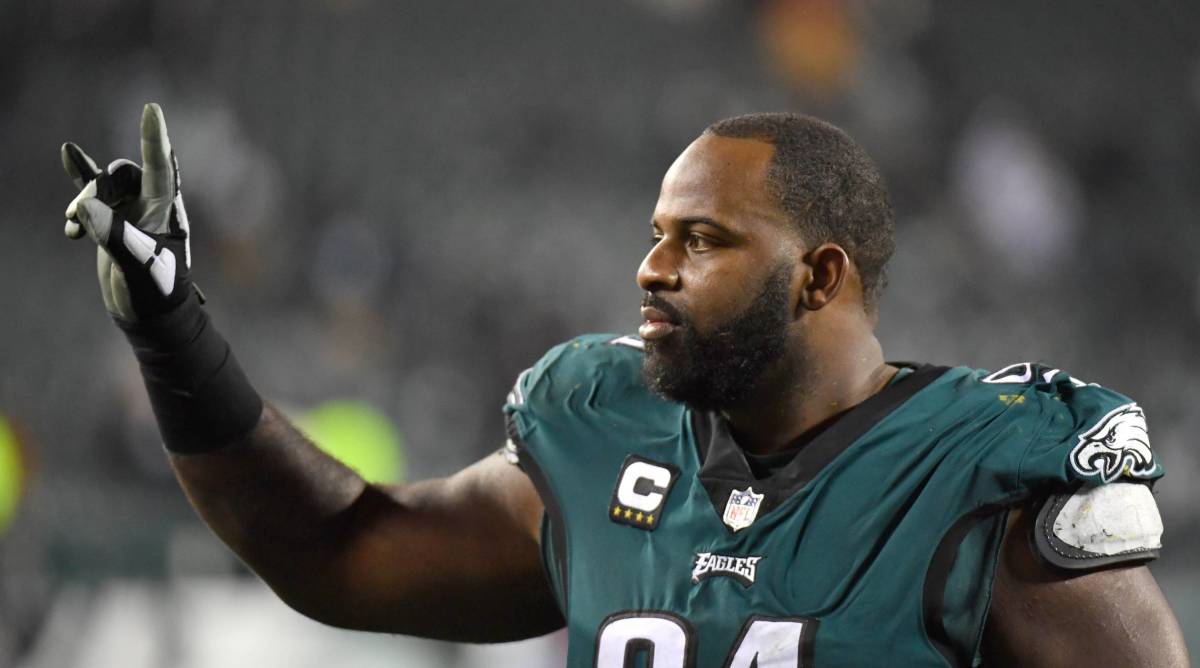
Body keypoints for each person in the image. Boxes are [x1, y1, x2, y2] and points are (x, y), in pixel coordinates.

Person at [59, 104, 1189, 667]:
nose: (652, 267)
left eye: (701, 238)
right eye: (656, 234)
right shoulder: (604, 435)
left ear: (820, 276)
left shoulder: (979, 470)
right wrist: (171, 333)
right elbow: (335, 549)